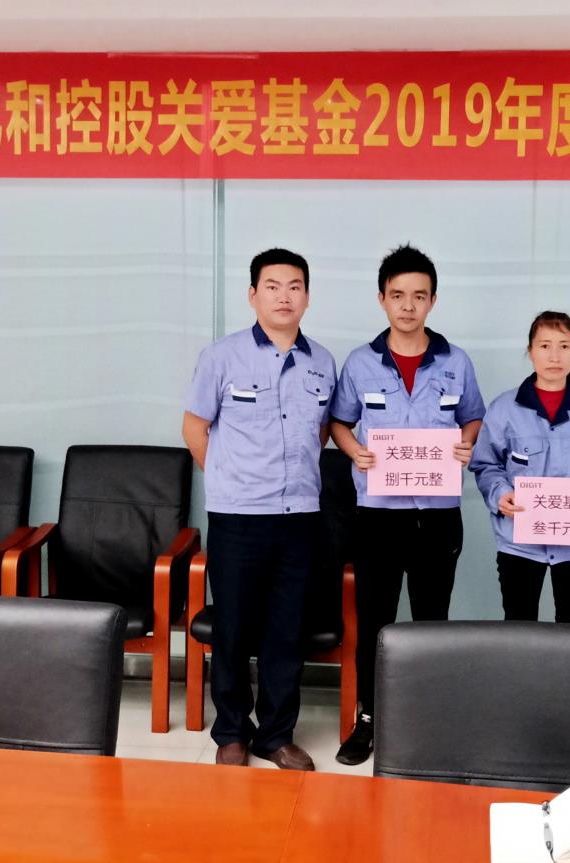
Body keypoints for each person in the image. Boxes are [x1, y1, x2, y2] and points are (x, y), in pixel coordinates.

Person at [329, 244, 485, 765]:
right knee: (375, 622)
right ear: (382, 299)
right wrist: (354, 450)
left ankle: (427, 720)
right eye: (398, 295)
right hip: (378, 516)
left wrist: (466, 442)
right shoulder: (360, 362)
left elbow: (473, 416)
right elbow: (339, 422)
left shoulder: (456, 362)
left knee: (431, 622)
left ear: (433, 300)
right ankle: (368, 720)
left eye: (419, 296)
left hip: (437, 516)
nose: (408, 306)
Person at [181, 248, 336, 771]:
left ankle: (276, 735)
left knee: (286, 630)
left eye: (294, 287)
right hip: (238, 516)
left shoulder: (322, 362)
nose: (283, 296)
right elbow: (194, 429)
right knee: (233, 628)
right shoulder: (221, 357)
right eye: (272, 286)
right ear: (253, 295)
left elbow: (319, 433)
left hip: (300, 517)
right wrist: (230, 478)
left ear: (307, 297)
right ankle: (231, 732)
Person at [469, 310, 570, 623]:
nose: (554, 356)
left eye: (564, 346)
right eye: (544, 346)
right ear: (530, 351)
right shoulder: (504, 408)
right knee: (519, 627)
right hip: (519, 543)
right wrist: (500, 494)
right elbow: (486, 463)